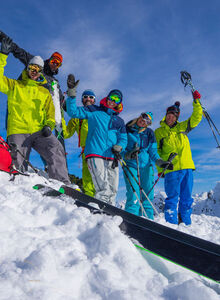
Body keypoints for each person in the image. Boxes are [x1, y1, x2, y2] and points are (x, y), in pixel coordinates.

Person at [0, 37, 70, 185]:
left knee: (55, 147)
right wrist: (3, 55)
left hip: (38, 131)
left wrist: (49, 125)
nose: (34, 71)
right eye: (32, 68)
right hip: (19, 130)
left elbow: (51, 110)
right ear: (28, 68)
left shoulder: (45, 91)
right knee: (16, 163)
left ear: (41, 72)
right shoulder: (15, 85)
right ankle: (17, 184)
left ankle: (63, 184)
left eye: (37, 70)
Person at [66, 74, 127, 205]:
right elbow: (73, 112)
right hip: (95, 153)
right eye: (111, 97)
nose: (112, 100)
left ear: (119, 103)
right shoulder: (94, 110)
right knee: (102, 187)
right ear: (107, 98)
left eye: (116, 99)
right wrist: (71, 95)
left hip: (112, 156)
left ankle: (110, 212)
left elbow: (123, 138)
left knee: (113, 189)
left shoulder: (119, 121)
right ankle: (101, 209)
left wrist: (120, 146)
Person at [0, 30, 65, 149]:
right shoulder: (35, 63)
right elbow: (18, 51)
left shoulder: (55, 83)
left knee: (50, 140)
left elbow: (60, 103)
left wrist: (70, 97)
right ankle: (11, 150)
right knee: (16, 130)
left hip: (39, 113)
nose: (54, 64)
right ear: (49, 60)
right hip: (21, 99)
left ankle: (49, 165)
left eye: (58, 63)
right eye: (53, 61)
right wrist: (3, 38)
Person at [155, 92, 203, 225]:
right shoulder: (159, 132)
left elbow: (197, 117)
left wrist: (196, 101)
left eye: (174, 116)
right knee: (172, 199)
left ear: (177, 118)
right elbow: (156, 151)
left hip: (187, 167)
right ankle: (171, 225)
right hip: (171, 169)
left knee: (187, 199)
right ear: (166, 115)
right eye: (169, 115)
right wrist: (161, 168)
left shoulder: (183, 128)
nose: (171, 117)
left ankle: (185, 224)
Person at [123, 112, 173, 219]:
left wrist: (160, 162)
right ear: (140, 116)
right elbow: (121, 145)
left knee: (148, 195)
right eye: (144, 117)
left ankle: (147, 219)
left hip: (146, 167)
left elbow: (153, 152)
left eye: (148, 121)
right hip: (131, 165)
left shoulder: (150, 133)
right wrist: (127, 155)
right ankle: (130, 218)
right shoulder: (127, 129)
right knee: (133, 194)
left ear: (148, 124)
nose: (144, 121)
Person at [62, 89, 96, 197]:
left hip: (99, 149)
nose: (88, 99)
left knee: (100, 176)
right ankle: (91, 198)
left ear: (94, 100)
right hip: (85, 150)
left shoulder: (98, 114)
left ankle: (103, 198)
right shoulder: (77, 117)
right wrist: (60, 117)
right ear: (82, 99)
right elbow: (66, 134)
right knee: (87, 177)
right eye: (85, 97)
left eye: (91, 97)